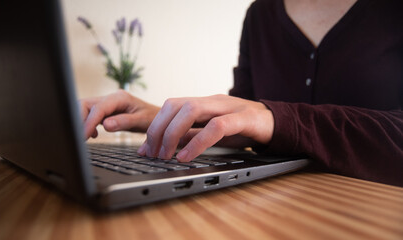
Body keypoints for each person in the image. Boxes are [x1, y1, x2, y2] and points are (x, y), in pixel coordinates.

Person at [80, 0, 403, 186]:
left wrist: (279, 120)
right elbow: (245, 115)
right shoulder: (260, 14)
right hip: (276, 202)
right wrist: (158, 118)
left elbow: (267, 119)